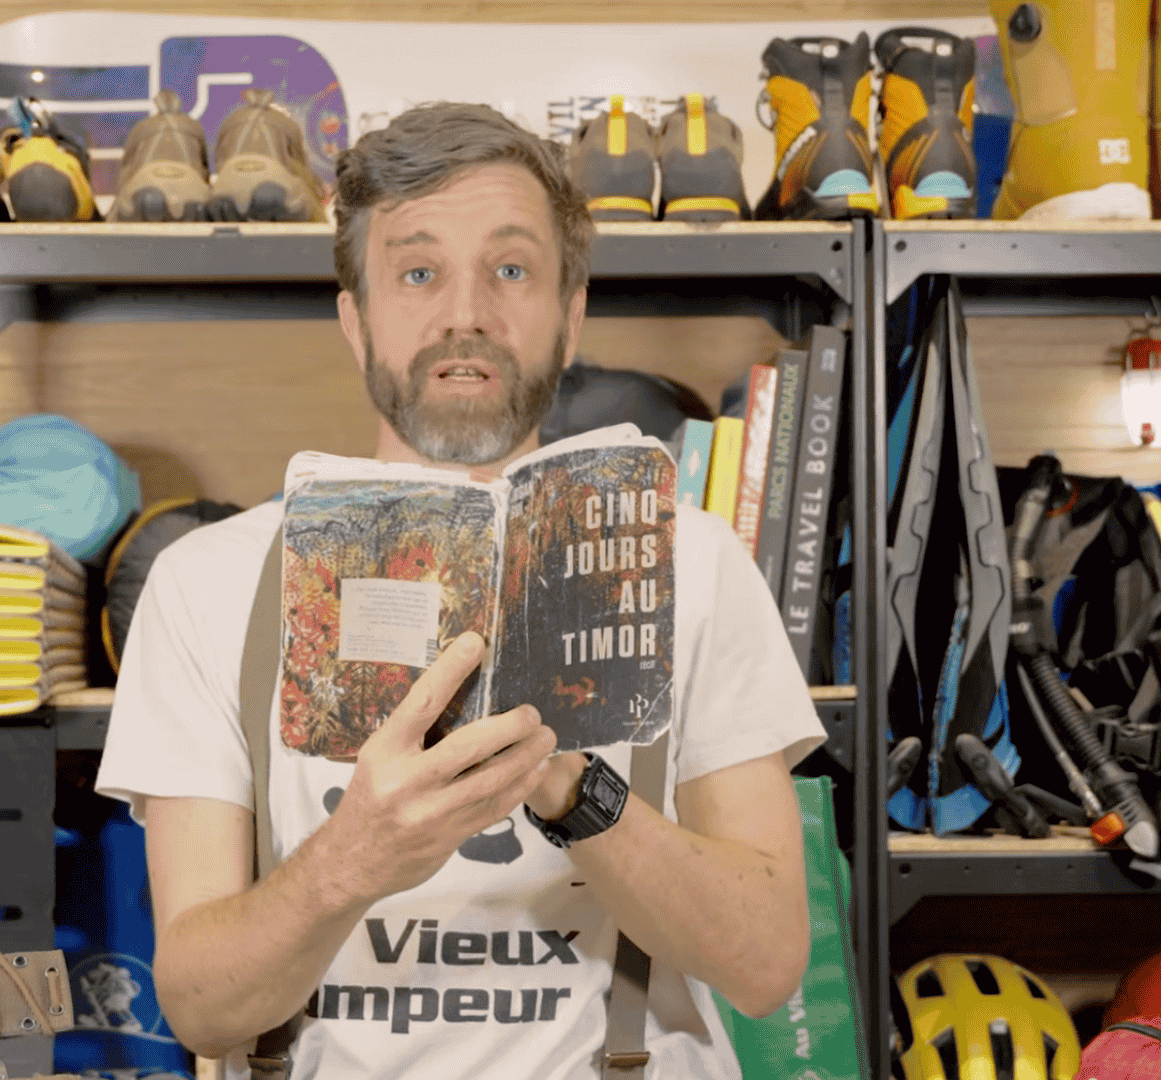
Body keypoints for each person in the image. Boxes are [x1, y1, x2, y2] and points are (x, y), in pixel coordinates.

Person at [94, 101, 826, 1080]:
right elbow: (201, 1009)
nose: (466, 313)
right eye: (417, 272)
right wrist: (355, 855)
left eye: (511, 270)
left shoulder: (695, 563)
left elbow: (766, 964)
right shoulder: (206, 585)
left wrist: (569, 787)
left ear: (570, 317)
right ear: (355, 321)